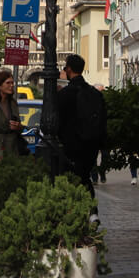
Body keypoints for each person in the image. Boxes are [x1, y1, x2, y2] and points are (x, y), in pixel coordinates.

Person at [56, 54, 105, 207]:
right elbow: (103, 119)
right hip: (91, 144)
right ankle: (91, 211)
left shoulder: (64, 94)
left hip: (71, 145)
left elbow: (58, 121)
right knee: (85, 178)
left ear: (69, 69)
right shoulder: (95, 94)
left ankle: (76, 212)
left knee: (71, 179)